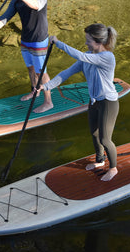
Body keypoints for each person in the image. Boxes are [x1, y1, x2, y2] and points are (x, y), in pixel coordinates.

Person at [39, 23, 120, 181]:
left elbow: (81, 57)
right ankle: (100, 161)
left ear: (98, 42)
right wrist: (45, 86)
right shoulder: (88, 55)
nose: (86, 43)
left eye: (88, 40)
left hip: (108, 103)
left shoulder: (107, 57)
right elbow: (66, 73)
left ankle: (113, 168)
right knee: (94, 134)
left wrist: (58, 42)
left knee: (105, 138)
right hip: (94, 100)